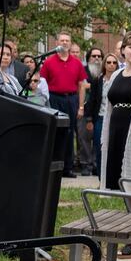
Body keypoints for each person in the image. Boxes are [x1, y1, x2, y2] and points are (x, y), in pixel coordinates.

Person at [100, 32, 131, 217]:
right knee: (123, 184)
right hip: (117, 133)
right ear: (123, 50)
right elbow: (110, 107)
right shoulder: (117, 74)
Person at [39, 30, 88, 177]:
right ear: (57, 43)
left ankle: (68, 167)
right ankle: (54, 167)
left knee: (69, 133)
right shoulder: (48, 62)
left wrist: (81, 107)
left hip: (71, 100)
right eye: (62, 40)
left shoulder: (77, 63)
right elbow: (42, 84)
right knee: (55, 133)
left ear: (70, 43)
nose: (65, 43)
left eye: (67, 41)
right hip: (54, 99)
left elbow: (81, 86)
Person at [82, 47, 106, 178]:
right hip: (85, 110)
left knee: (98, 141)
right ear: (88, 58)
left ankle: (96, 165)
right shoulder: (83, 71)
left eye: (99, 56)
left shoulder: (104, 74)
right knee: (85, 139)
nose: (96, 58)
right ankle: (86, 164)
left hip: (100, 113)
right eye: (93, 56)